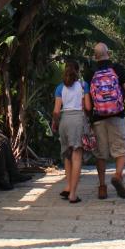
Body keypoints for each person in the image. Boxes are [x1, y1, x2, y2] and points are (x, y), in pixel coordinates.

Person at [87, 42, 125, 199]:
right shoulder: (118, 69)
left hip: (98, 117)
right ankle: (117, 175)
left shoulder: (90, 72)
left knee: (100, 154)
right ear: (108, 53)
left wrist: (88, 119)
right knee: (121, 149)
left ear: (95, 56)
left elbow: (87, 100)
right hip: (117, 115)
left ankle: (102, 187)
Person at [51, 59, 92, 204]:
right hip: (77, 121)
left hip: (64, 121)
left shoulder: (60, 87)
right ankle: (73, 194)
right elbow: (87, 107)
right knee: (76, 157)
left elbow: (56, 111)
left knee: (67, 156)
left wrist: (55, 124)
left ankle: (68, 186)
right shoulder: (83, 85)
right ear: (77, 71)